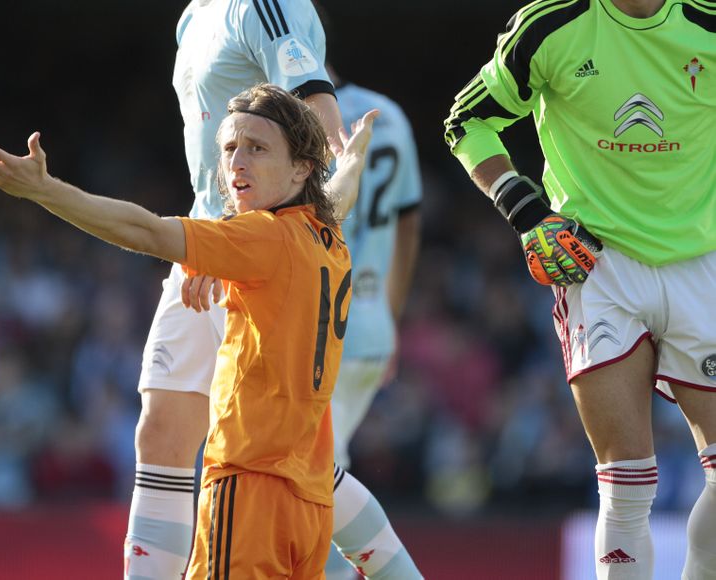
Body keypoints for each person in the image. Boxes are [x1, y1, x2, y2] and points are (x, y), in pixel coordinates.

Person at [0, 83, 377, 578]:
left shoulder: (262, 237)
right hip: (310, 505)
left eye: (257, 147)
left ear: (302, 167)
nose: (237, 162)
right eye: (229, 148)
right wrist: (352, 158)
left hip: (250, 490)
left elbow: (146, 231)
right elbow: (342, 191)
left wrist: (44, 190)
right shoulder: (327, 234)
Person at [125, 1, 415, 578]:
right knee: (160, 432)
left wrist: (249, 236)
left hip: (250, 254)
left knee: (293, 462)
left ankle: (396, 571)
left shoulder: (267, 4)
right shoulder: (192, 17)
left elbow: (312, 102)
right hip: (206, 238)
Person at [444, 1, 716, 578]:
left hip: (703, 263)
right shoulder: (549, 24)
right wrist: (526, 212)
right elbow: (466, 120)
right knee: (626, 481)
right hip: (597, 268)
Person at [324, 65, 423, 580]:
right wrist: (390, 315)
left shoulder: (298, 118)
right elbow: (408, 223)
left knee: (314, 478)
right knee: (324, 467)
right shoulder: (391, 116)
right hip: (372, 324)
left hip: (323, 329)